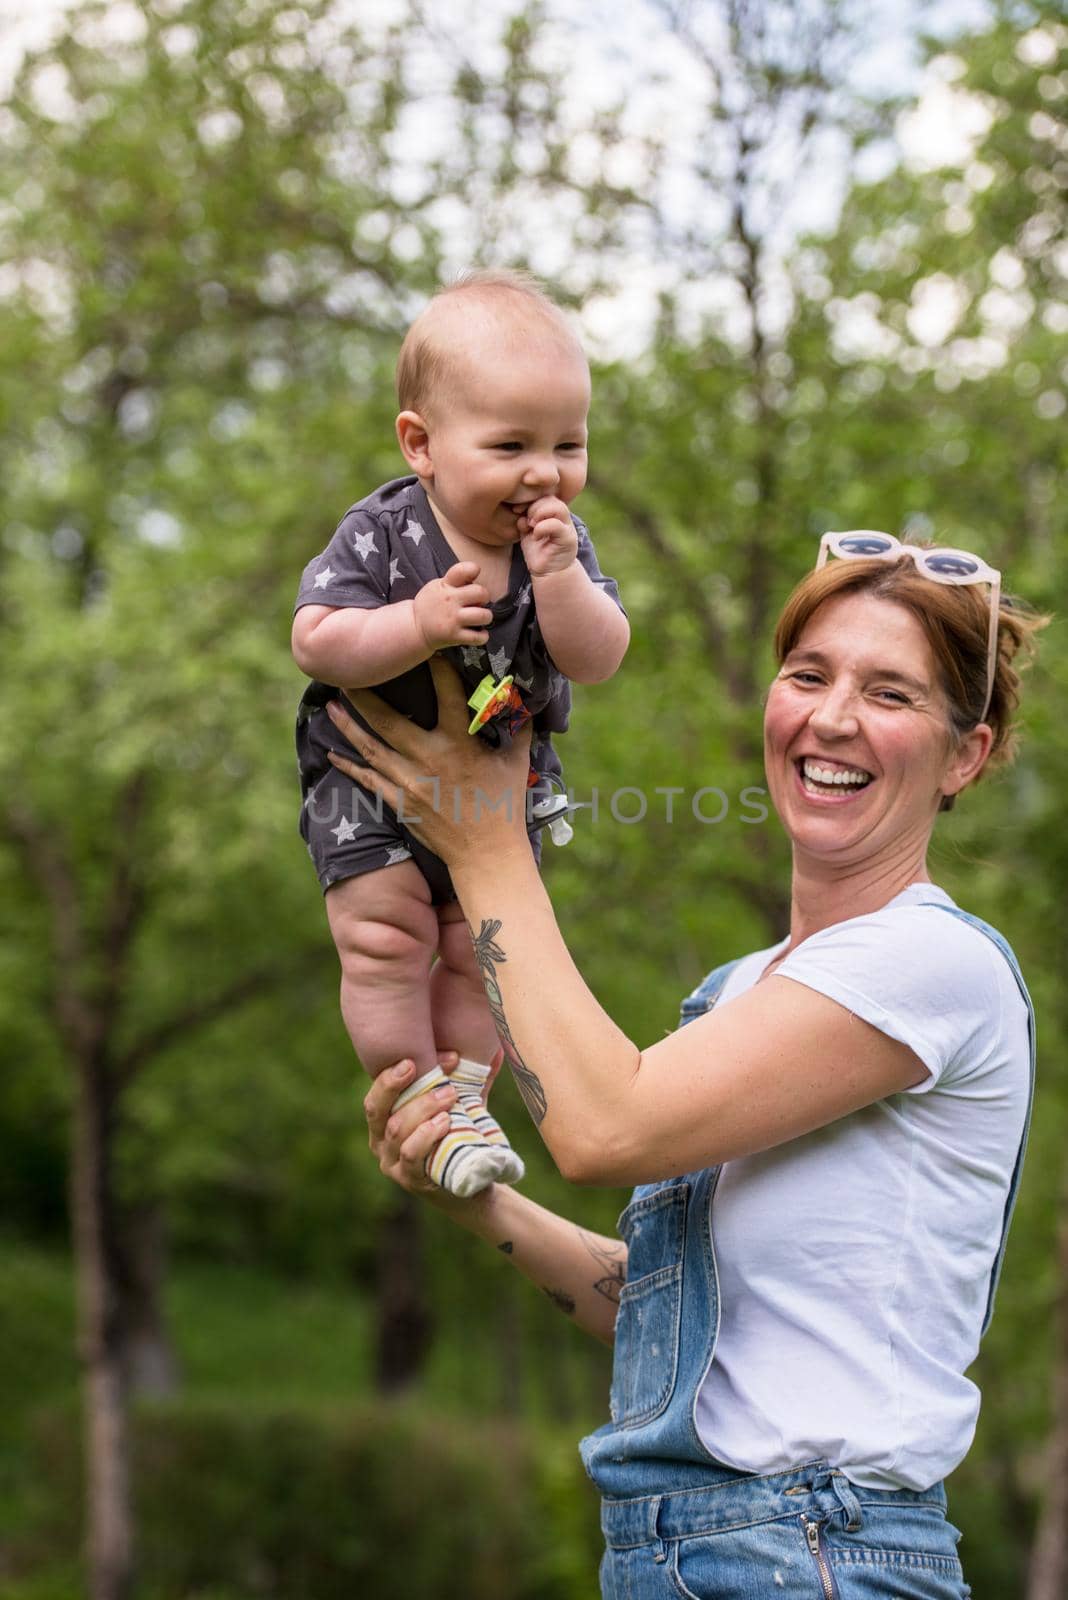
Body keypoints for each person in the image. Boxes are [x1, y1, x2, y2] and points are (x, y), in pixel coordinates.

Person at [325, 531, 1044, 1598]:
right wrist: (478, 1204)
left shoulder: (934, 962)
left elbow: (604, 1127)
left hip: (813, 1551)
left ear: (968, 754)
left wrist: (483, 843)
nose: (832, 716)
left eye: (889, 693)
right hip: (680, 1550)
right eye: (808, 675)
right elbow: (666, 1311)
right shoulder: (743, 988)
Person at [291, 270, 629, 1198]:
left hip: (492, 793)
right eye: (512, 444)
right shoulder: (384, 533)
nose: (544, 473)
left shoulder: (563, 543)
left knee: (480, 955)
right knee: (389, 942)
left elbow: (598, 656)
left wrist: (559, 582)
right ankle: (414, 1100)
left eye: (569, 443)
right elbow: (315, 639)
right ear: (422, 443)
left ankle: (469, 1104)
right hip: (370, 783)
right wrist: (418, 624)